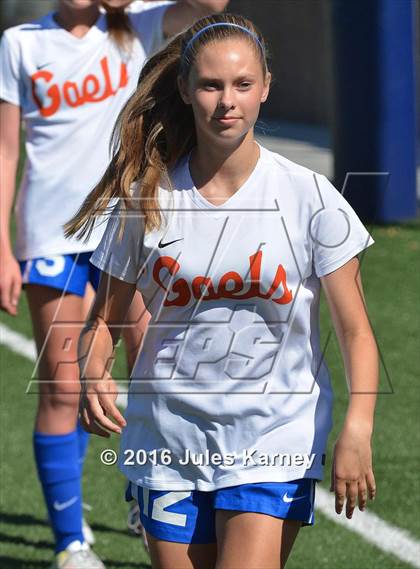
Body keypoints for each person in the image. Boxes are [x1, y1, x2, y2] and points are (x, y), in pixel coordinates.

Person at [65, 11, 378, 569]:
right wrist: (93, 372)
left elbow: (355, 331)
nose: (226, 100)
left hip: (274, 440)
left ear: (265, 89)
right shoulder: (146, 200)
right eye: (210, 85)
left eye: (242, 84)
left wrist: (358, 426)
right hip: (165, 441)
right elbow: (103, 324)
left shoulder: (310, 196)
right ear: (185, 89)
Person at [0, 1, 228, 567]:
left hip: (132, 225)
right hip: (51, 235)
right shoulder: (20, 43)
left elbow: (213, 7)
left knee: (150, 373)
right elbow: (6, 150)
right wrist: (0, 246)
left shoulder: (139, 22)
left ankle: (145, 493)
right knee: (61, 385)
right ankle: (70, 543)